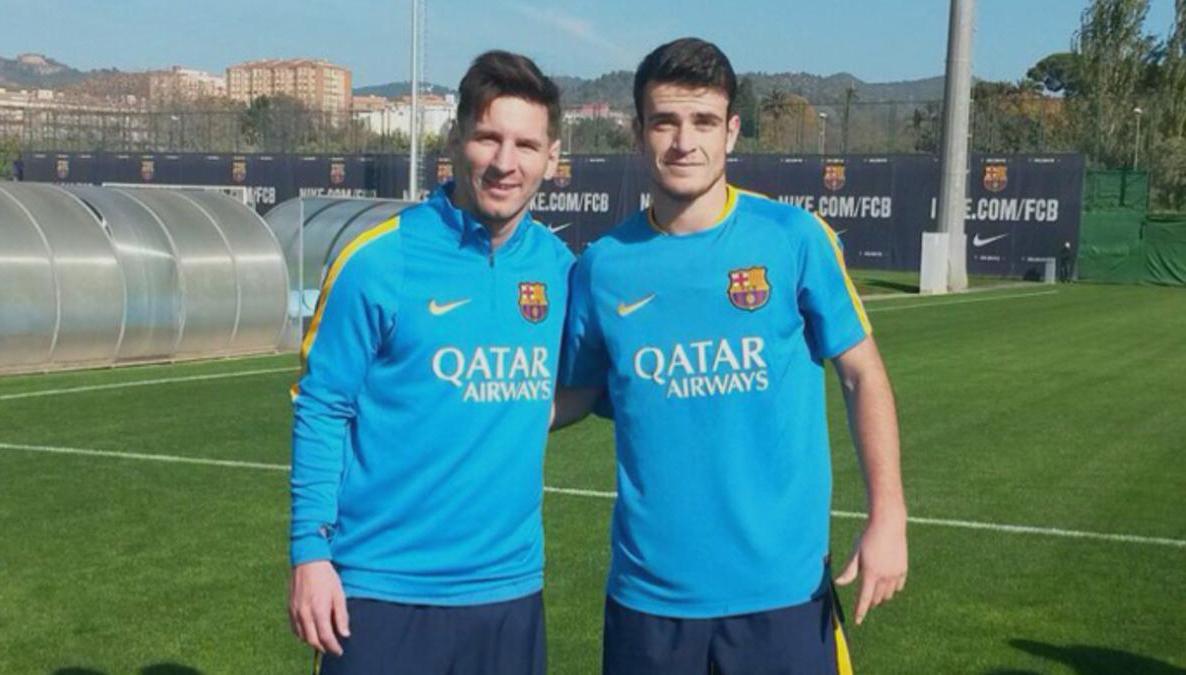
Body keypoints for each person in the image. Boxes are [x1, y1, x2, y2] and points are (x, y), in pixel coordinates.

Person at [554, 37, 907, 674]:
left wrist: (889, 517)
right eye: (665, 121)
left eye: (704, 121)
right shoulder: (603, 266)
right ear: (638, 133)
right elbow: (569, 396)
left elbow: (862, 375)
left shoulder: (794, 238)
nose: (684, 141)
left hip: (782, 595)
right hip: (649, 601)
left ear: (732, 131)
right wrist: (451, 407)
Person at [289, 50, 573, 675]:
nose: (505, 162)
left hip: (510, 592)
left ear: (552, 159)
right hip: (382, 591)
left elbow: (596, 382)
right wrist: (310, 555)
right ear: (455, 140)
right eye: (487, 137)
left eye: (526, 144)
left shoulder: (560, 271)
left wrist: (525, 411)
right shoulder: (378, 260)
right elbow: (321, 406)